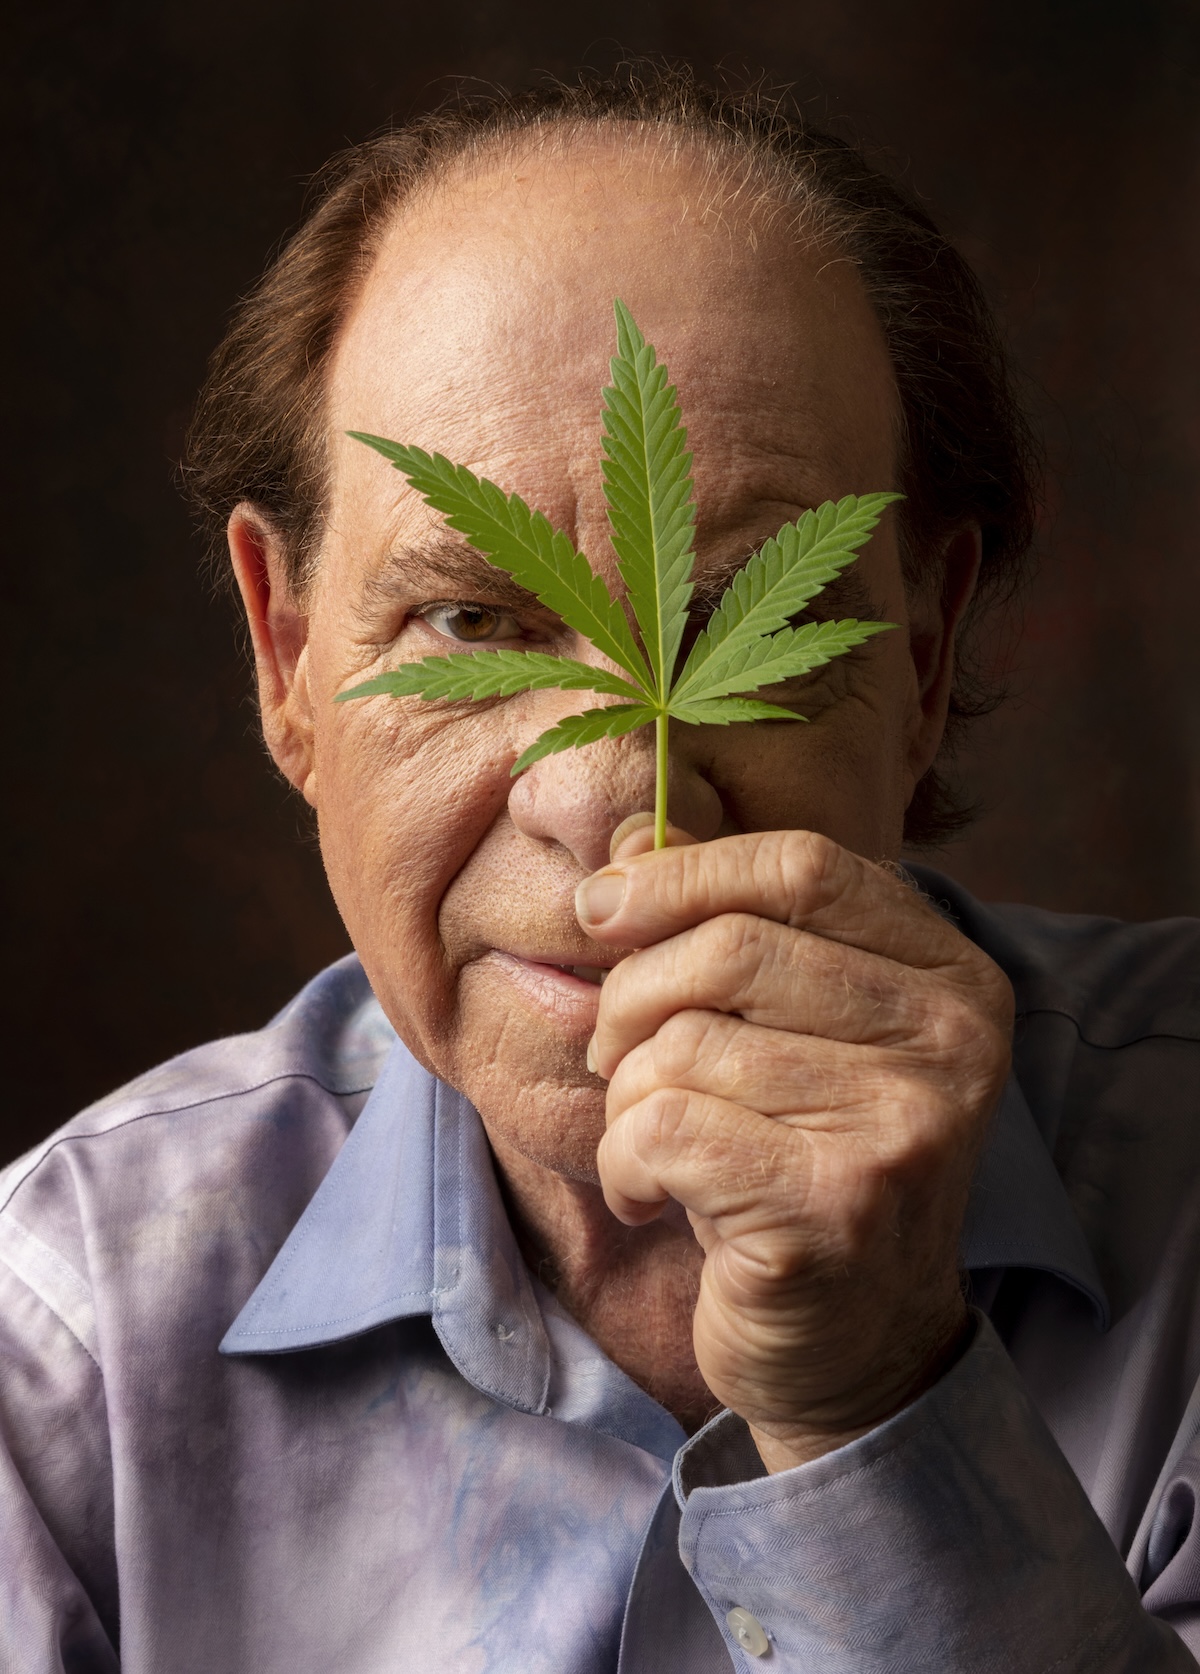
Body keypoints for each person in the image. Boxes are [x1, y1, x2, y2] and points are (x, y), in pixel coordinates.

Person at [2, 74, 1198, 1673]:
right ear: (288, 660)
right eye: (473, 622)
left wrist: (886, 1398)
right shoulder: (61, 1342)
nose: (612, 795)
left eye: (740, 627)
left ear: (920, 661)